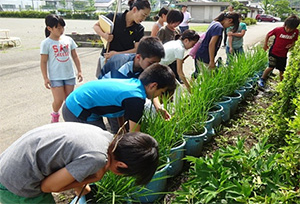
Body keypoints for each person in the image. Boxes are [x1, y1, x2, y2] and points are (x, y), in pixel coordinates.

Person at [0, 122, 159, 203]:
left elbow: (67, 161)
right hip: (17, 183)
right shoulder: (98, 158)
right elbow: (47, 187)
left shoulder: (104, 137)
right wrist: (92, 179)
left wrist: (83, 190)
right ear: (121, 166)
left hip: (9, 162)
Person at [62, 63, 176, 132]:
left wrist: (122, 131)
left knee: (104, 140)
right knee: (97, 144)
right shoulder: (136, 99)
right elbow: (134, 135)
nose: (159, 97)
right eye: (161, 92)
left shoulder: (134, 84)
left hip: (82, 104)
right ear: (153, 86)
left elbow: (119, 108)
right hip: (77, 109)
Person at [98, 36, 169, 133]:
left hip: (125, 94)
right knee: (118, 131)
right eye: (151, 63)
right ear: (139, 57)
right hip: (107, 97)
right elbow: (118, 98)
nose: (154, 67)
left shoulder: (145, 66)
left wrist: (159, 108)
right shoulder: (121, 69)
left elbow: (152, 89)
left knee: (130, 124)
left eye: (157, 63)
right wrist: (122, 128)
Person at [40, 14, 83, 123]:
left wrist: (79, 71)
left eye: (62, 27)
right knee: (58, 100)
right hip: (55, 76)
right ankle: (55, 115)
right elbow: (43, 61)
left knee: (69, 100)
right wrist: (45, 78)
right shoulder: (46, 43)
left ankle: (69, 119)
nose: (61, 30)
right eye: (58, 28)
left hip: (69, 74)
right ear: (49, 28)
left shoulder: (68, 40)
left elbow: (75, 56)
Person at [94, 0, 151, 77]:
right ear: (134, 10)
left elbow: (137, 49)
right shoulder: (114, 17)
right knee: (103, 83)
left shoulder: (139, 28)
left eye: (146, 16)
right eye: (143, 15)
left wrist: (117, 54)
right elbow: (96, 26)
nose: (144, 18)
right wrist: (104, 35)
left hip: (124, 62)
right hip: (106, 58)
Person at [258, 14, 300, 87]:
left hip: (283, 54)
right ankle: (262, 79)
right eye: (287, 28)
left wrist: (291, 45)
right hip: (273, 52)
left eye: (291, 29)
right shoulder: (278, 30)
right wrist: (265, 44)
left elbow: (295, 40)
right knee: (271, 67)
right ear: (285, 24)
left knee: (282, 70)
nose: (288, 30)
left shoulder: (296, 32)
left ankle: (281, 84)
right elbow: (268, 35)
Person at [194, 12, 240, 76]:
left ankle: (190, 84)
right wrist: (212, 61)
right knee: (208, 79)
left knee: (199, 74)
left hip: (201, 54)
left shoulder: (214, 23)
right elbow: (212, 44)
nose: (228, 27)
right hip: (205, 56)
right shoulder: (219, 27)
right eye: (230, 25)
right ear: (230, 20)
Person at [157, 9, 184, 82]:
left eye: (178, 23)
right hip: (166, 60)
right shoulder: (163, 30)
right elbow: (158, 46)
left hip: (175, 60)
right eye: (174, 22)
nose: (176, 24)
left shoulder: (177, 31)